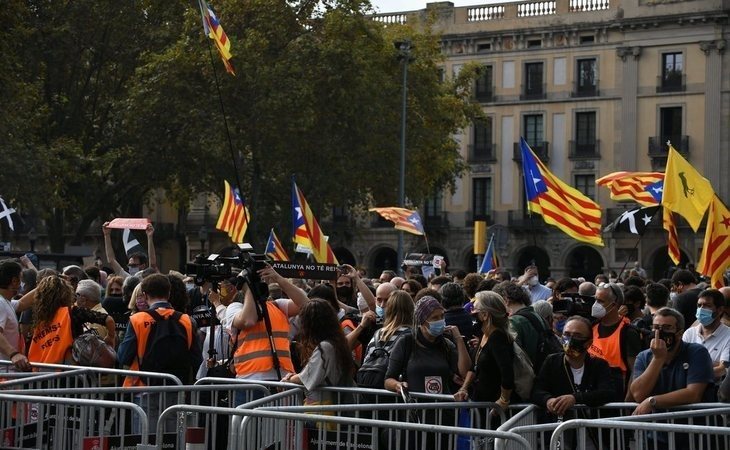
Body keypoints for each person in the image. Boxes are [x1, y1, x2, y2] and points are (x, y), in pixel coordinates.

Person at [630, 308, 714, 450]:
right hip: (655, 437)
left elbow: (693, 393)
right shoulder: (644, 356)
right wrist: (658, 359)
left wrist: (653, 401)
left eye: (667, 328)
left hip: (692, 436)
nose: (659, 332)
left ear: (680, 332)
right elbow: (638, 394)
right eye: (656, 328)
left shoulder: (696, 352)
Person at [531, 316, 615, 449]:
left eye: (577, 336)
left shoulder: (599, 365)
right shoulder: (552, 361)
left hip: (591, 434)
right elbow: (537, 390)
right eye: (567, 334)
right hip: (560, 434)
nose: (570, 340)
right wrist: (548, 400)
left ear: (588, 342)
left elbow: (607, 392)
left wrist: (575, 398)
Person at [228, 264, 308, 387]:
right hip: (249, 380)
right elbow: (248, 320)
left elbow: (306, 305)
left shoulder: (277, 306)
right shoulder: (234, 308)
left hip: (283, 378)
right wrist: (249, 288)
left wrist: (278, 278)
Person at [384, 296, 470, 397]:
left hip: (443, 409)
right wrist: (397, 385)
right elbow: (388, 380)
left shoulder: (446, 344)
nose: (440, 320)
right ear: (422, 321)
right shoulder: (406, 342)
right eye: (434, 318)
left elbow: (464, 372)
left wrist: (459, 339)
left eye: (442, 316)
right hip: (416, 408)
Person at [281, 299, 354, 406]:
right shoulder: (336, 343)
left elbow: (308, 376)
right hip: (329, 405)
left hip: (323, 407)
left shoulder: (325, 347)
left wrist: (289, 379)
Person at [28, 275, 115, 364]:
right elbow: (109, 320)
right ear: (66, 294)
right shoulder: (73, 312)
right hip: (69, 370)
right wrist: (110, 337)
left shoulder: (40, 319)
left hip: (43, 371)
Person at [456, 291, 516, 411]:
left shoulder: (497, 337)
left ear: (485, 315)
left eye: (474, 309)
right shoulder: (484, 335)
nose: (471, 312)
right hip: (481, 403)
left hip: (493, 409)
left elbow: (507, 373)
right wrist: (464, 388)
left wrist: (503, 400)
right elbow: (474, 366)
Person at [588, 282, 643, 399]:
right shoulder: (591, 328)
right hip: (592, 396)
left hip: (617, 397)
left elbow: (635, 371)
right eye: (595, 300)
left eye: (601, 301)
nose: (595, 305)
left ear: (614, 305)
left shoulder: (628, 333)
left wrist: (627, 402)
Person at [682, 289, 730, 382]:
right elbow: (680, 364)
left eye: (707, 306)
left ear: (720, 310)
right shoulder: (689, 333)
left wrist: (692, 368)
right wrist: (710, 365)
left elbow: (722, 370)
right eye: (699, 305)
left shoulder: (728, 335)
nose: (701, 309)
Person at [0, 260, 34, 370]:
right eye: (21, 278)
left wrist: (49, 282)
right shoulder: (0, 303)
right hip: (4, 372)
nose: (22, 283)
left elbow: (22, 303)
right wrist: (14, 354)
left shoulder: (6, 302)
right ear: (14, 281)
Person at [75, 279, 116, 347]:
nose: (75, 299)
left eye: (76, 295)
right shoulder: (98, 313)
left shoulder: (95, 321)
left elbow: (93, 349)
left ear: (83, 299)